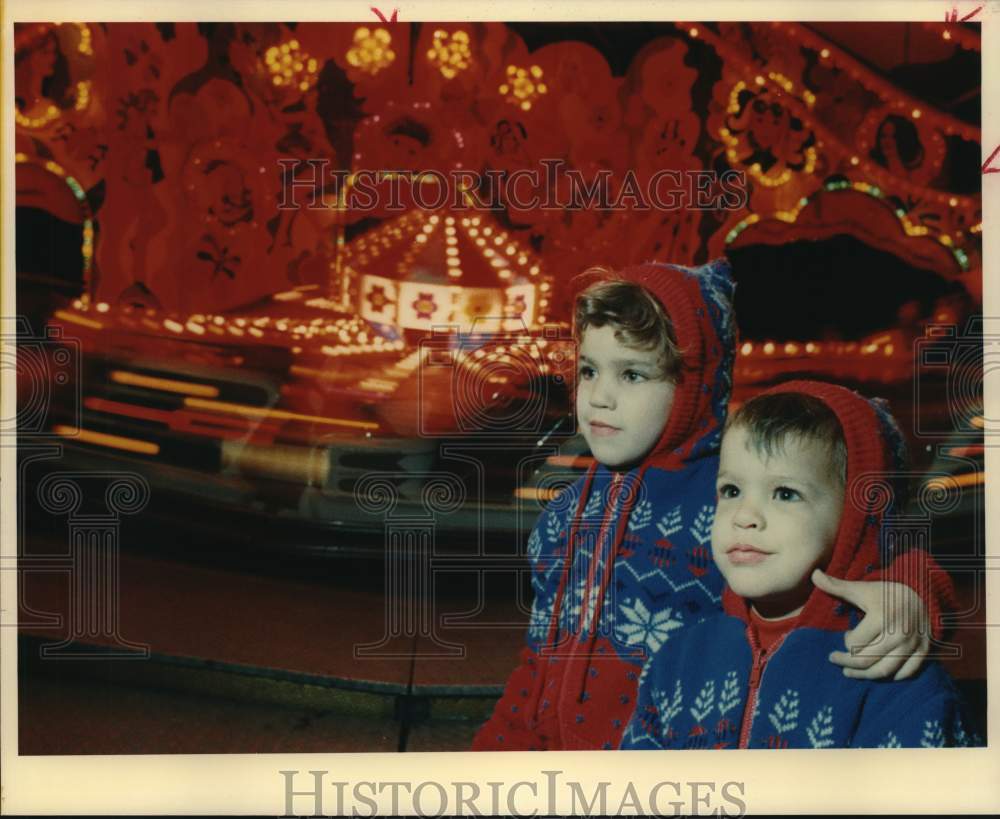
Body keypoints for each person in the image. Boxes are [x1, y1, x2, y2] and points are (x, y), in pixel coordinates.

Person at [473, 261, 949, 751]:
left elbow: (864, 543)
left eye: (633, 374)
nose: (600, 397)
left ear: (694, 383)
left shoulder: (731, 498)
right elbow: (535, 669)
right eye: (590, 370)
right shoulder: (564, 517)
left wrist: (910, 594)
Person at [620, 382, 977, 749]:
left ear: (856, 519)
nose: (744, 516)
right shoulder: (676, 662)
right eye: (731, 490)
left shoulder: (894, 678)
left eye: (785, 494)